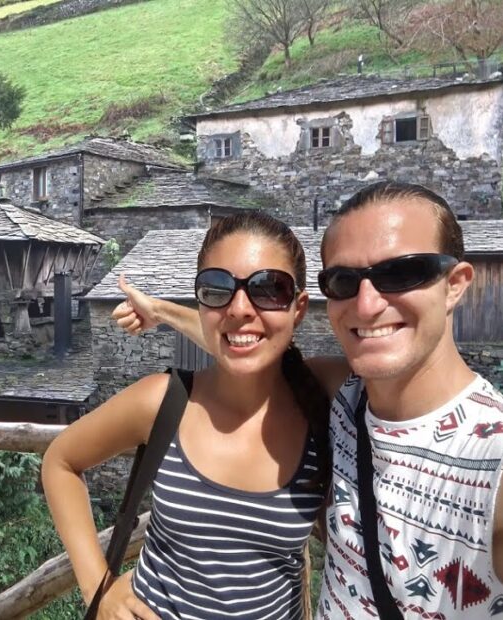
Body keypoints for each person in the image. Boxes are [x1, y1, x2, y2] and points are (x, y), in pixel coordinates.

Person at [113, 181, 503, 618]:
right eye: (343, 281)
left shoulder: (491, 457)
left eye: (400, 274)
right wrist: (162, 311)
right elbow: (248, 343)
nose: (367, 304)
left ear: (455, 284)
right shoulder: (342, 396)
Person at [42, 211, 331, 620]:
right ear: (200, 301)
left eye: (269, 289)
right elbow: (60, 461)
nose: (240, 308)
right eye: (217, 289)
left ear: (299, 308)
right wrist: (97, 588)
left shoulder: (323, 401)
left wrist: (161, 311)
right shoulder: (164, 402)